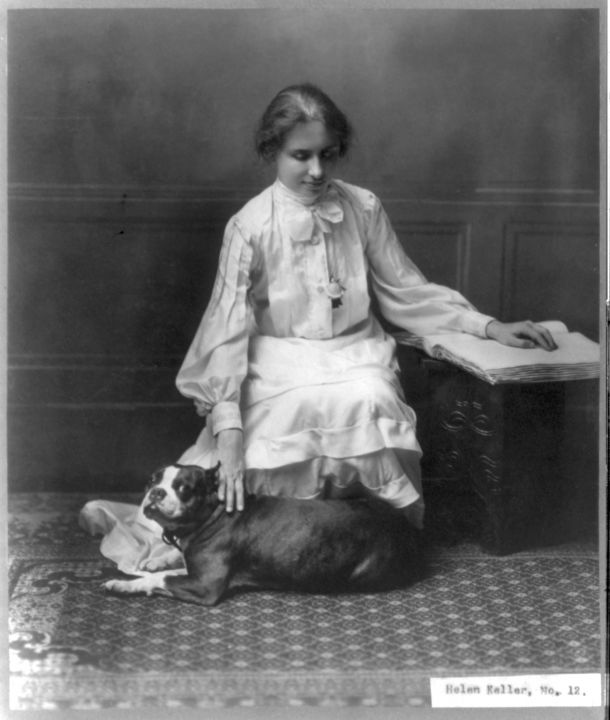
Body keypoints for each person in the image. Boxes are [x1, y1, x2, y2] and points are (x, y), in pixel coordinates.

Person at [80, 83, 556, 574]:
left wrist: (489, 325)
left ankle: (360, 541)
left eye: (327, 155)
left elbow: (406, 290)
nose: (316, 171)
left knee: (370, 396)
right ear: (272, 152)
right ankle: (249, 538)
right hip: (276, 356)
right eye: (300, 156)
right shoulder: (250, 226)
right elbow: (225, 332)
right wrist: (229, 432)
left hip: (353, 350)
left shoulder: (362, 207)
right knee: (287, 412)